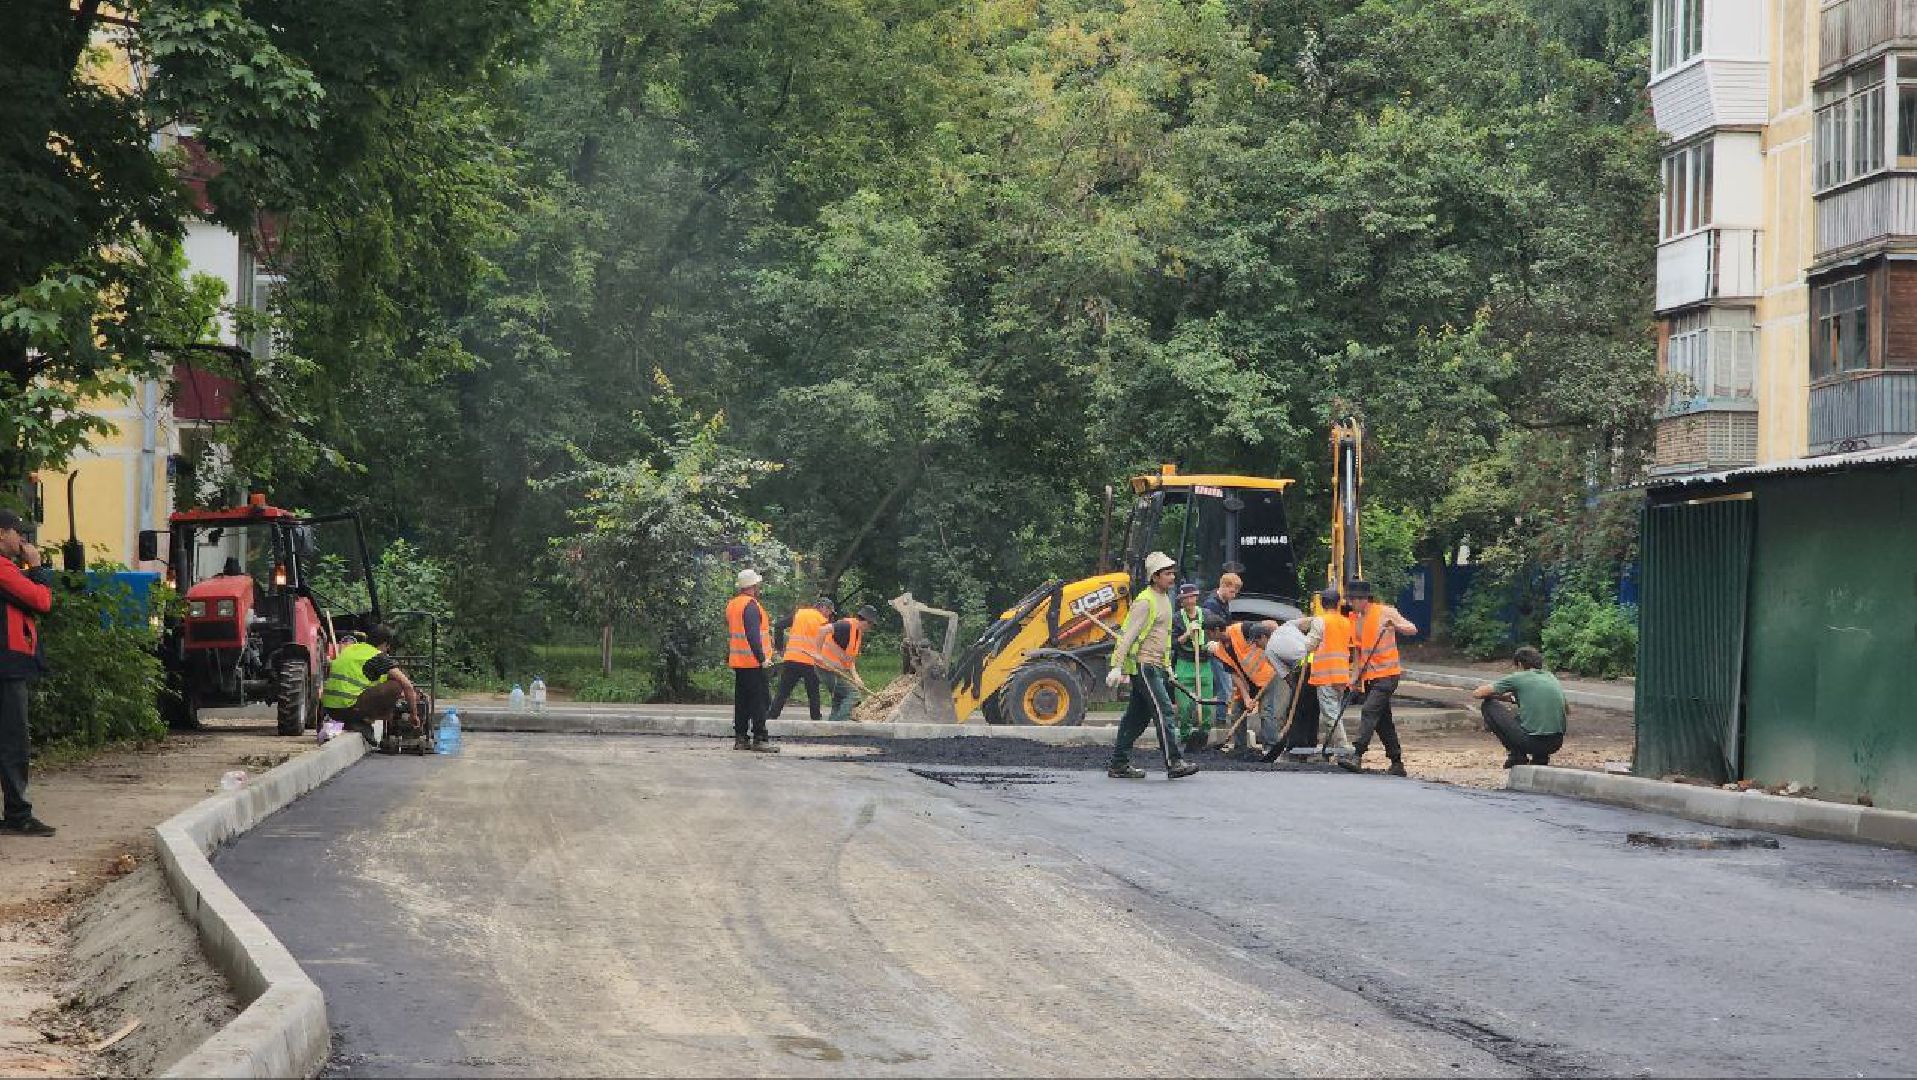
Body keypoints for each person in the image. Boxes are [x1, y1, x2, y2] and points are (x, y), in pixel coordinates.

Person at [1104, 552, 1199, 780]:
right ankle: (1174, 762)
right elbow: (1127, 635)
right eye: (1167, 574)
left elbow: (1162, 639)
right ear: (1155, 577)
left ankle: (1118, 764)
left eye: (1172, 573)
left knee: (1136, 718)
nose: (1172, 577)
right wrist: (1116, 665)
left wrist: (1168, 667)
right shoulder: (1145, 602)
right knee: (1164, 711)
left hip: (1156, 666)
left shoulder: (1165, 599)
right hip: (1145, 666)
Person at [0, 510, 55, 837]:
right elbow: (41, 600)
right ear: (1, 533)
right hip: (7, 665)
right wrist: (36, 567)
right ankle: (18, 814)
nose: (22, 539)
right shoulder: (3, 568)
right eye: (17, 533)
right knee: (13, 740)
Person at [1336, 579, 1418, 777]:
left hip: (1388, 675)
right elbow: (1358, 652)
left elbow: (1412, 628)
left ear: (1363, 599)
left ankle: (1356, 754)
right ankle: (1397, 762)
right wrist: (1354, 677)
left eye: (1352, 600)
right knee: (1383, 721)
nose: (1350, 604)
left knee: (1369, 710)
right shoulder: (1355, 619)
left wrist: (1395, 625)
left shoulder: (1384, 612)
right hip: (1370, 677)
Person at [320, 624, 423, 746]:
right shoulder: (377, 657)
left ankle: (361, 719)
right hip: (348, 709)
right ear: (385, 644)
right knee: (396, 685)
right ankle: (363, 720)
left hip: (330, 710)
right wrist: (414, 715)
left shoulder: (352, 649)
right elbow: (407, 686)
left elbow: (362, 680)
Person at [1472, 646, 1569, 767]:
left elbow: (1478, 693)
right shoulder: (1551, 677)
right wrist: (1513, 698)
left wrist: (1495, 695)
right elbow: (1566, 709)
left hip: (1532, 743)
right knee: (1527, 716)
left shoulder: (1519, 677)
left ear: (1520, 664)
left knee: (1488, 706)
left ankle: (1517, 755)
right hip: (1555, 743)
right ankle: (1540, 758)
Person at [1297, 587, 1355, 759]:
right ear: (1338, 603)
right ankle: (1329, 750)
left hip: (1326, 675)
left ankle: (1344, 749)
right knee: (1334, 711)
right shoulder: (1346, 622)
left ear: (1322, 603)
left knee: (1331, 715)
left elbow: (1310, 645)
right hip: (1341, 674)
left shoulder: (1320, 621)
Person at [725, 569, 779, 752]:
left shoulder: (733, 605)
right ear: (753, 586)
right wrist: (762, 659)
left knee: (742, 701)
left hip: (739, 661)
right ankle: (760, 738)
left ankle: (741, 738)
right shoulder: (750, 606)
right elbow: (752, 635)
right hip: (753, 662)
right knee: (759, 701)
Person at [1209, 619, 1280, 756]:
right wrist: (1246, 697)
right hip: (1245, 682)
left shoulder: (1242, 629)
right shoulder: (1220, 650)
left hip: (1265, 676)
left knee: (1266, 712)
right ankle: (1240, 748)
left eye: (1209, 633)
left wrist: (1277, 638)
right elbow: (1233, 674)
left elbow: (1270, 625)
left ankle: (1270, 747)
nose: (1208, 637)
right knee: (1237, 711)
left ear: (1216, 630)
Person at [769, 597, 833, 722]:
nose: (829, 614)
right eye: (829, 611)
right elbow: (828, 645)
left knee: (783, 691)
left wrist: (780, 648)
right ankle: (816, 720)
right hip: (811, 662)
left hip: (792, 659)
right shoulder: (823, 621)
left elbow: (779, 626)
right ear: (823, 608)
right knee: (813, 693)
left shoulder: (799, 614)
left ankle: (771, 717)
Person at [816, 605, 878, 723]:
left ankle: (832, 727)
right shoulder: (846, 626)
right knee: (853, 694)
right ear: (865, 621)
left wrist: (856, 677)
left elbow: (850, 659)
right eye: (870, 625)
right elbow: (822, 630)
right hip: (826, 667)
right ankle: (840, 724)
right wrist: (818, 654)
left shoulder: (857, 633)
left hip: (835, 670)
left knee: (839, 699)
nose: (870, 628)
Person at [1170, 583, 1213, 753]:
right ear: (1181, 601)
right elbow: (1172, 643)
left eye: (1191, 597)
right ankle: (1185, 736)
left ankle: (1203, 736)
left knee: (1207, 705)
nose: (1189, 601)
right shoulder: (1176, 619)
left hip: (1204, 663)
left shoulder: (1207, 615)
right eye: (1185, 598)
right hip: (1184, 663)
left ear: (1196, 597)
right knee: (1185, 706)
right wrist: (1187, 634)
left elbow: (1216, 633)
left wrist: (1212, 644)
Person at [1200, 572, 1241, 735]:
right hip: (1215, 649)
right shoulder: (1211, 605)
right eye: (1232, 591)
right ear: (1223, 586)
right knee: (1225, 685)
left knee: (1223, 685)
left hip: (1221, 648)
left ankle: (1220, 717)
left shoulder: (1223, 603)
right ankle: (1221, 720)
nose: (1234, 595)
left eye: (1236, 592)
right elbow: (1212, 628)